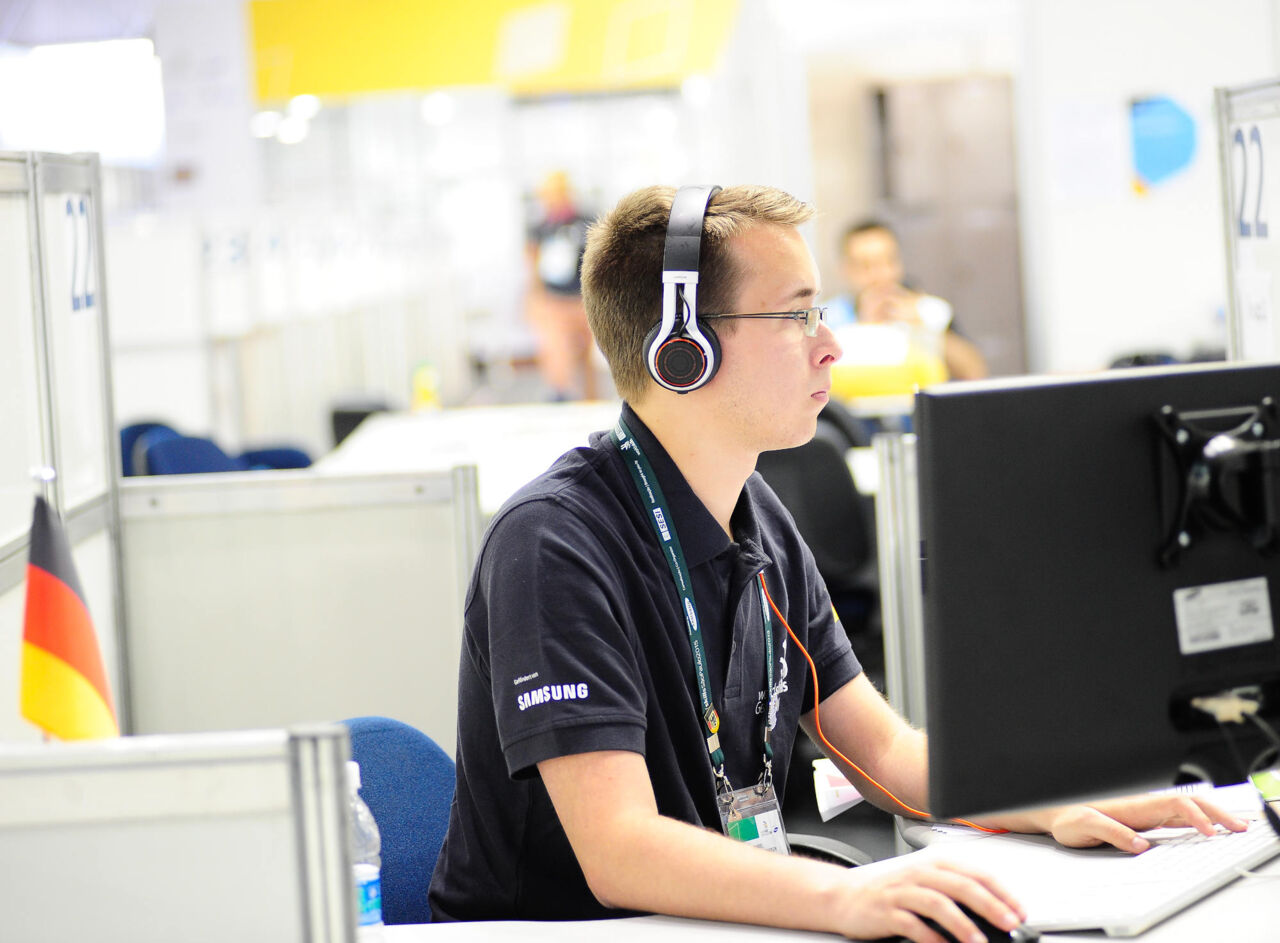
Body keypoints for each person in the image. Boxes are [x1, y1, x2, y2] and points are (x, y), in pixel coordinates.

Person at [428, 185, 1244, 941]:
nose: (832, 345)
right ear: (685, 350)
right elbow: (620, 852)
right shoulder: (554, 545)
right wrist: (846, 897)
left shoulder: (759, 518)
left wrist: (1051, 798)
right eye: (798, 315)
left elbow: (882, 753)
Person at [828, 220, 989, 382]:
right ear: (846, 270)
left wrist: (927, 330)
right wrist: (866, 329)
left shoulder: (928, 310)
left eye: (889, 261)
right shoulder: (828, 320)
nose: (881, 275)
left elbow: (975, 373)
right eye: (866, 266)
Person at [524, 171, 599, 400]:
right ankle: (561, 394)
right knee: (557, 350)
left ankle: (590, 400)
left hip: (584, 300)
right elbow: (532, 264)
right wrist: (534, 299)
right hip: (554, 301)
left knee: (587, 357)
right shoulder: (539, 228)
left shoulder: (587, 221)